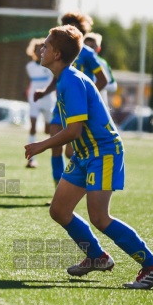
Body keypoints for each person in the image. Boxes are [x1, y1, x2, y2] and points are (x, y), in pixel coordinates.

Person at [25, 25, 153, 289]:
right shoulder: (64, 79)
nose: (41, 49)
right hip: (85, 154)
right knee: (59, 210)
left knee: (100, 217)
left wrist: (42, 145)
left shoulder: (70, 80)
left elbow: (74, 130)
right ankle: (96, 256)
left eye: (46, 45)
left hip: (103, 153)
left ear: (57, 54)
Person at [34, 12, 108, 189]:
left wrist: (88, 100)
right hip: (61, 106)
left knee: (70, 151)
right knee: (56, 146)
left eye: (72, 26)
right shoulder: (60, 60)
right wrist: (44, 92)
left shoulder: (87, 53)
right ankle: (57, 188)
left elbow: (103, 79)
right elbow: (58, 77)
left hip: (77, 106)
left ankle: (82, 183)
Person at [24, 38, 56, 168]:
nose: (40, 52)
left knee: (49, 130)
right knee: (32, 125)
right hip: (34, 99)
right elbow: (34, 83)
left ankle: (55, 154)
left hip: (48, 99)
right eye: (38, 50)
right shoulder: (29, 67)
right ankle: (31, 159)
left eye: (43, 49)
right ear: (33, 52)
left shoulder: (50, 66)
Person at [84, 32, 117, 109]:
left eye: (92, 47)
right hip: (83, 106)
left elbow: (113, 86)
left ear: (98, 48)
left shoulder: (102, 63)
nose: (89, 51)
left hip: (99, 107)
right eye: (86, 47)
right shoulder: (77, 62)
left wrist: (98, 84)